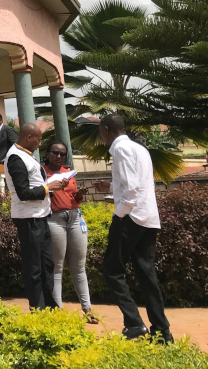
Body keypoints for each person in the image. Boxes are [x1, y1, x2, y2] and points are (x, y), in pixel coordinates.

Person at [93, 115, 173, 343]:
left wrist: (119, 215)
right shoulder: (139, 149)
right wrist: (110, 187)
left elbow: (131, 189)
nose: (101, 136)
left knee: (111, 269)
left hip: (131, 217)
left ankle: (134, 324)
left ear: (107, 129)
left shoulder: (120, 149)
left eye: (101, 131)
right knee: (146, 274)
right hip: (148, 218)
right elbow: (134, 183)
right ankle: (162, 331)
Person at [4, 123, 68, 310]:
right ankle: (37, 309)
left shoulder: (27, 156)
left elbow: (35, 184)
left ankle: (50, 306)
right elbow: (23, 193)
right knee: (34, 267)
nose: (40, 144)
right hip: (28, 218)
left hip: (40, 216)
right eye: (39, 140)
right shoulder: (15, 158)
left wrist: (53, 185)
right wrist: (49, 188)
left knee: (47, 264)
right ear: (29, 137)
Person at [43, 140, 97, 324]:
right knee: (57, 268)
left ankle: (87, 309)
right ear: (48, 153)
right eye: (55, 153)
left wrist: (79, 195)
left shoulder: (69, 172)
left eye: (62, 154)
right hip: (55, 219)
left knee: (79, 267)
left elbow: (73, 197)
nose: (59, 157)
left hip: (75, 217)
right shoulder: (43, 173)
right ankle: (57, 312)